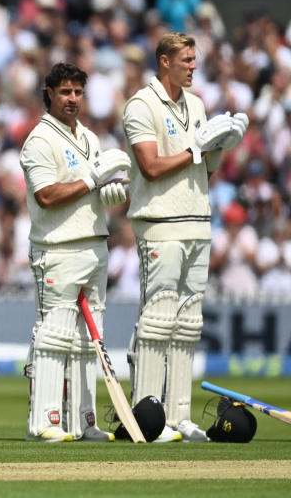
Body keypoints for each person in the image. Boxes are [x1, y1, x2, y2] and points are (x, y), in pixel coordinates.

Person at [122, 32, 248, 442]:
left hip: (198, 220)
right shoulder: (141, 104)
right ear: (164, 62)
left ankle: (179, 417)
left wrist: (223, 145)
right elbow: (151, 167)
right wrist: (196, 148)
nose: (194, 66)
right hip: (160, 223)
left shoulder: (196, 104)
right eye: (187, 60)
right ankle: (147, 417)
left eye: (195, 60)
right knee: (157, 321)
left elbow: (204, 171)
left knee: (188, 324)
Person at [19, 62, 131, 442]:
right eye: (65, 92)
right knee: (54, 336)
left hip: (95, 247)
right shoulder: (39, 140)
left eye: (78, 92)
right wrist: (91, 180)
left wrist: (108, 193)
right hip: (57, 250)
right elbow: (47, 196)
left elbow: (92, 190)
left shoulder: (89, 138)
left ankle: (84, 422)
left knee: (88, 341)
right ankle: (46, 421)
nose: (72, 99)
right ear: (49, 92)